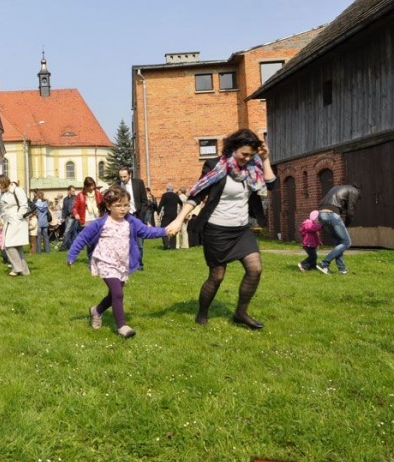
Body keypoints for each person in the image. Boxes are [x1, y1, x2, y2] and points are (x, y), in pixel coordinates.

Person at [166, 128, 278, 329]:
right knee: (217, 276)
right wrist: (178, 219)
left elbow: (270, 184)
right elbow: (197, 194)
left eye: (251, 155)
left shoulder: (253, 167)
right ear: (233, 147)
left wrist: (265, 159)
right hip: (216, 230)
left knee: (255, 269)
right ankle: (202, 313)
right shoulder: (215, 165)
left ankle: (240, 313)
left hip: (241, 230)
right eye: (244, 154)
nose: (247, 158)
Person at [68, 186, 169, 338]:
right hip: (105, 262)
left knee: (114, 295)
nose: (123, 209)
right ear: (108, 206)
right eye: (118, 206)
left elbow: (147, 231)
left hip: (122, 263)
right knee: (118, 293)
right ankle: (122, 326)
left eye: (126, 205)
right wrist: (72, 255)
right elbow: (82, 238)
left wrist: (165, 231)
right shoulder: (101, 223)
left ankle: (96, 311)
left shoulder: (131, 222)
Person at [0, 174, 30, 277]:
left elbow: (24, 205)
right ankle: (25, 271)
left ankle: (17, 268)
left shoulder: (17, 190)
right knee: (16, 247)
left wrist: (18, 216)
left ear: (3, 182)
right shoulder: (2, 194)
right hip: (8, 221)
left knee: (8, 245)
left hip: (17, 221)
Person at [316, 183, 361, 275]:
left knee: (338, 243)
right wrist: (346, 224)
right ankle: (324, 264)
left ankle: (342, 270)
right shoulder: (354, 191)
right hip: (331, 215)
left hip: (321, 214)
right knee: (346, 242)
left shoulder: (336, 188)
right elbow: (350, 211)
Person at [117, 168, 149, 269]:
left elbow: (144, 201)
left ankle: (139, 264)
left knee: (139, 243)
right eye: (121, 177)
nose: (123, 179)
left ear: (130, 175)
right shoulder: (118, 186)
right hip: (124, 217)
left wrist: (141, 215)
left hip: (137, 215)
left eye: (124, 177)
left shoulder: (138, 183)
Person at [156, 184, 182, 250]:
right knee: (173, 229)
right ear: (173, 189)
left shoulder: (165, 195)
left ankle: (167, 244)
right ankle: (173, 245)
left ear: (167, 189)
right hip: (174, 214)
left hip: (167, 214)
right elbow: (181, 203)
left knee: (163, 228)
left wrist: (158, 212)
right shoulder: (176, 195)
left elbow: (161, 204)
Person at [60, 185, 78, 251]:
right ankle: (74, 247)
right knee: (73, 232)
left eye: (74, 191)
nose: (74, 192)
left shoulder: (76, 198)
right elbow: (64, 209)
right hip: (67, 217)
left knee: (67, 232)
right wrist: (63, 218)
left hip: (73, 217)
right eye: (72, 191)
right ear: (69, 191)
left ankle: (63, 246)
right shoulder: (65, 199)